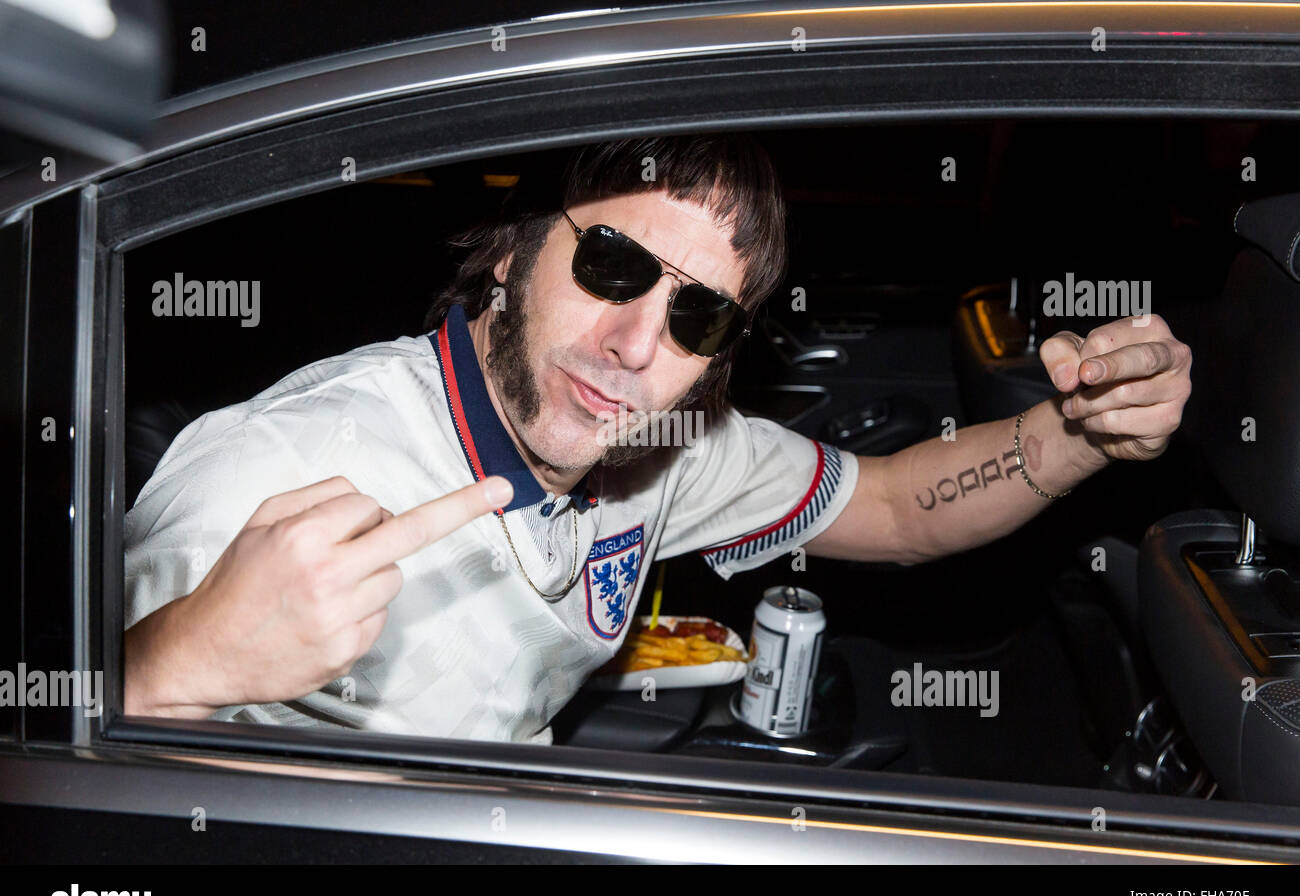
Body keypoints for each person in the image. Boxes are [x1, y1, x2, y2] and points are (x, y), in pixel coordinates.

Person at [123, 134, 1193, 744]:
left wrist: (1083, 432)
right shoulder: (273, 478)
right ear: (512, 252)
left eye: (699, 316)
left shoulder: (660, 450)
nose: (635, 344)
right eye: (613, 266)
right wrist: (168, 667)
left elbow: (896, 506)